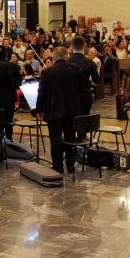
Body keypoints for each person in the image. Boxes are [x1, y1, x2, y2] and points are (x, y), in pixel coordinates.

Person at [36, 47, 82, 178]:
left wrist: (39, 109)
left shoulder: (47, 72)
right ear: (67, 56)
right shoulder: (75, 69)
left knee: (55, 139)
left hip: (54, 110)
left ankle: (58, 167)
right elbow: (81, 88)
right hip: (72, 111)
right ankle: (71, 166)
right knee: (70, 138)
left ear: (53, 57)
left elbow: (42, 93)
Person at [67, 36, 98, 116]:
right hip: (84, 96)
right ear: (84, 45)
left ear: (72, 46)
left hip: (69, 97)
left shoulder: (66, 61)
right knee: (83, 121)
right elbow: (97, 80)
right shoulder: (90, 62)